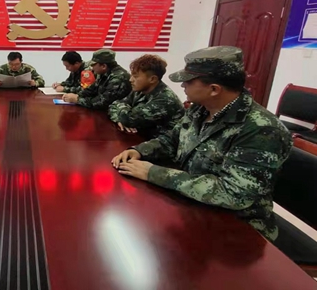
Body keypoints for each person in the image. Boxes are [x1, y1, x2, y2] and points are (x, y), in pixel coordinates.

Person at [111, 46, 292, 241]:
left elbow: (234, 193)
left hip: (237, 229)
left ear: (214, 89)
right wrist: (140, 151)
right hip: (193, 206)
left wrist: (153, 173)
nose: (183, 86)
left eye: (188, 81)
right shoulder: (200, 109)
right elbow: (172, 139)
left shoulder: (261, 130)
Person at [108, 54, 184, 139]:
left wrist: (124, 116)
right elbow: (114, 105)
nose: (130, 80)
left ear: (152, 79)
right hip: (141, 138)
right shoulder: (140, 90)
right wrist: (119, 119)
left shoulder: (165, 99)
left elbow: (129, 119)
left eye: (135, 76)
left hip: (160, 143)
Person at [62, 49, 131, 110]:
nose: (91, 68)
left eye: (93, 65)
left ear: (103, 66)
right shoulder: (103, 73)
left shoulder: (118, 77)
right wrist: (75, 95)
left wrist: (77, 100)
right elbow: (91, 90)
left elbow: (103, 103)